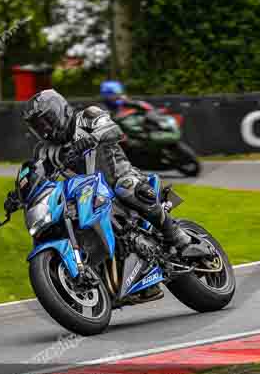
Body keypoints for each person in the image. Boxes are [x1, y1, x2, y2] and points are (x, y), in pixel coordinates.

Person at [18, 89, 193, 259]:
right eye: (38, 127)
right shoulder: (45, 151)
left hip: (119, 176)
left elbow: (114, 130)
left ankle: (178, 237)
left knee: (127, 188)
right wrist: (19, 194)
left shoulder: (87, 116)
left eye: (47, 121)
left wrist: (93, 138)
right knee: (66, 217)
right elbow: (37, 173)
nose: (45, 130)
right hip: (88, 193)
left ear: (60, 110)